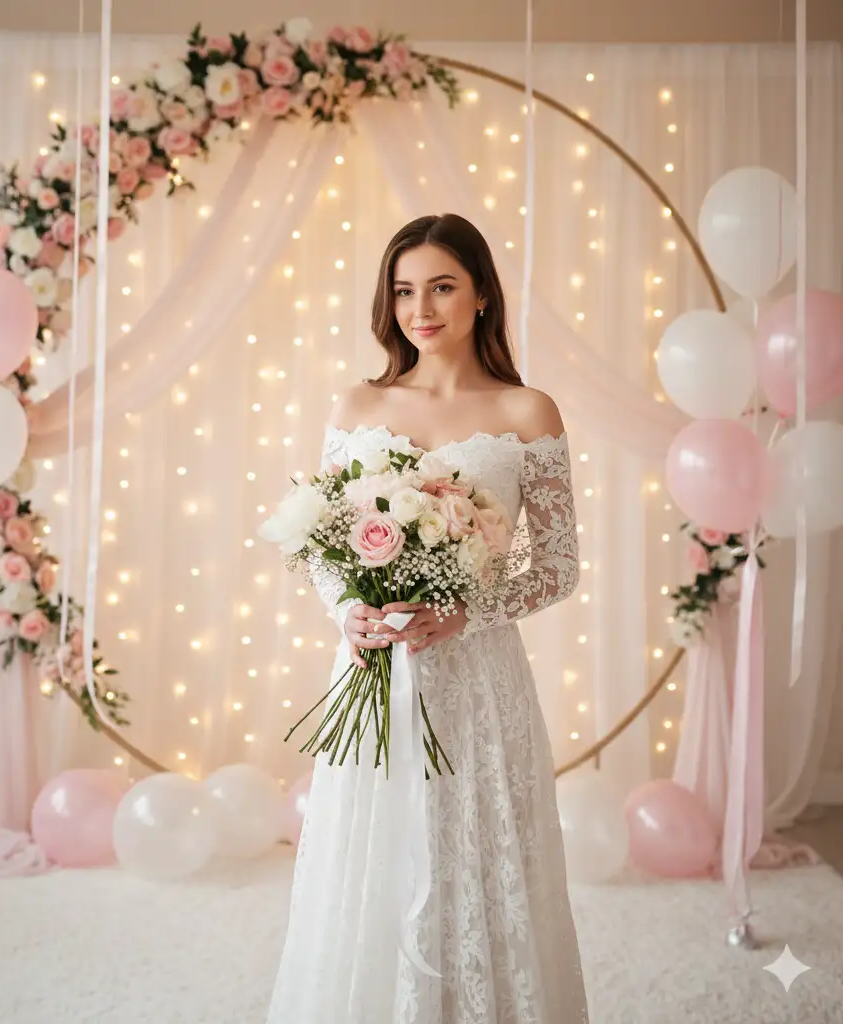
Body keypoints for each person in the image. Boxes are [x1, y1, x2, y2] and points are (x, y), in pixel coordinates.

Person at [266, 213, 590, 1023]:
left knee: (478, 860)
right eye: (405, 290)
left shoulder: (527, 411)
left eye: (442, 286)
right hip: (376, 671)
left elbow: (555, 569)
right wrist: (351, 614)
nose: (422, 307)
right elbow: (318, 543)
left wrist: (465, 615)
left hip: (479, 681)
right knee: (372, 862)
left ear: (481, 293)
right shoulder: (358, 403)